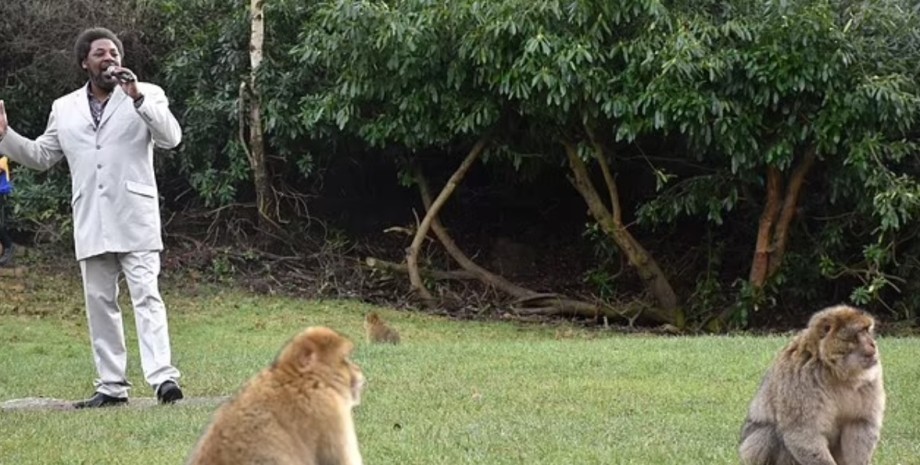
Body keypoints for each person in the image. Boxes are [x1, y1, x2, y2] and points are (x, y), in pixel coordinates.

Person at [0, 27, 183, 408]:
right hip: (91, 218)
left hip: (135, 216)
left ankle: (164, 380)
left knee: (147, 297)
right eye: (100, 53)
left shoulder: (147, 93)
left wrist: (138, 98)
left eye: (114, 52)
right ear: (85, 62)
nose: (109, 58)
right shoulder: (64, 108)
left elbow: (171, 138)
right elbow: (40, 156)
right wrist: (5, 136)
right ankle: (112, 387)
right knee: (100, 304)